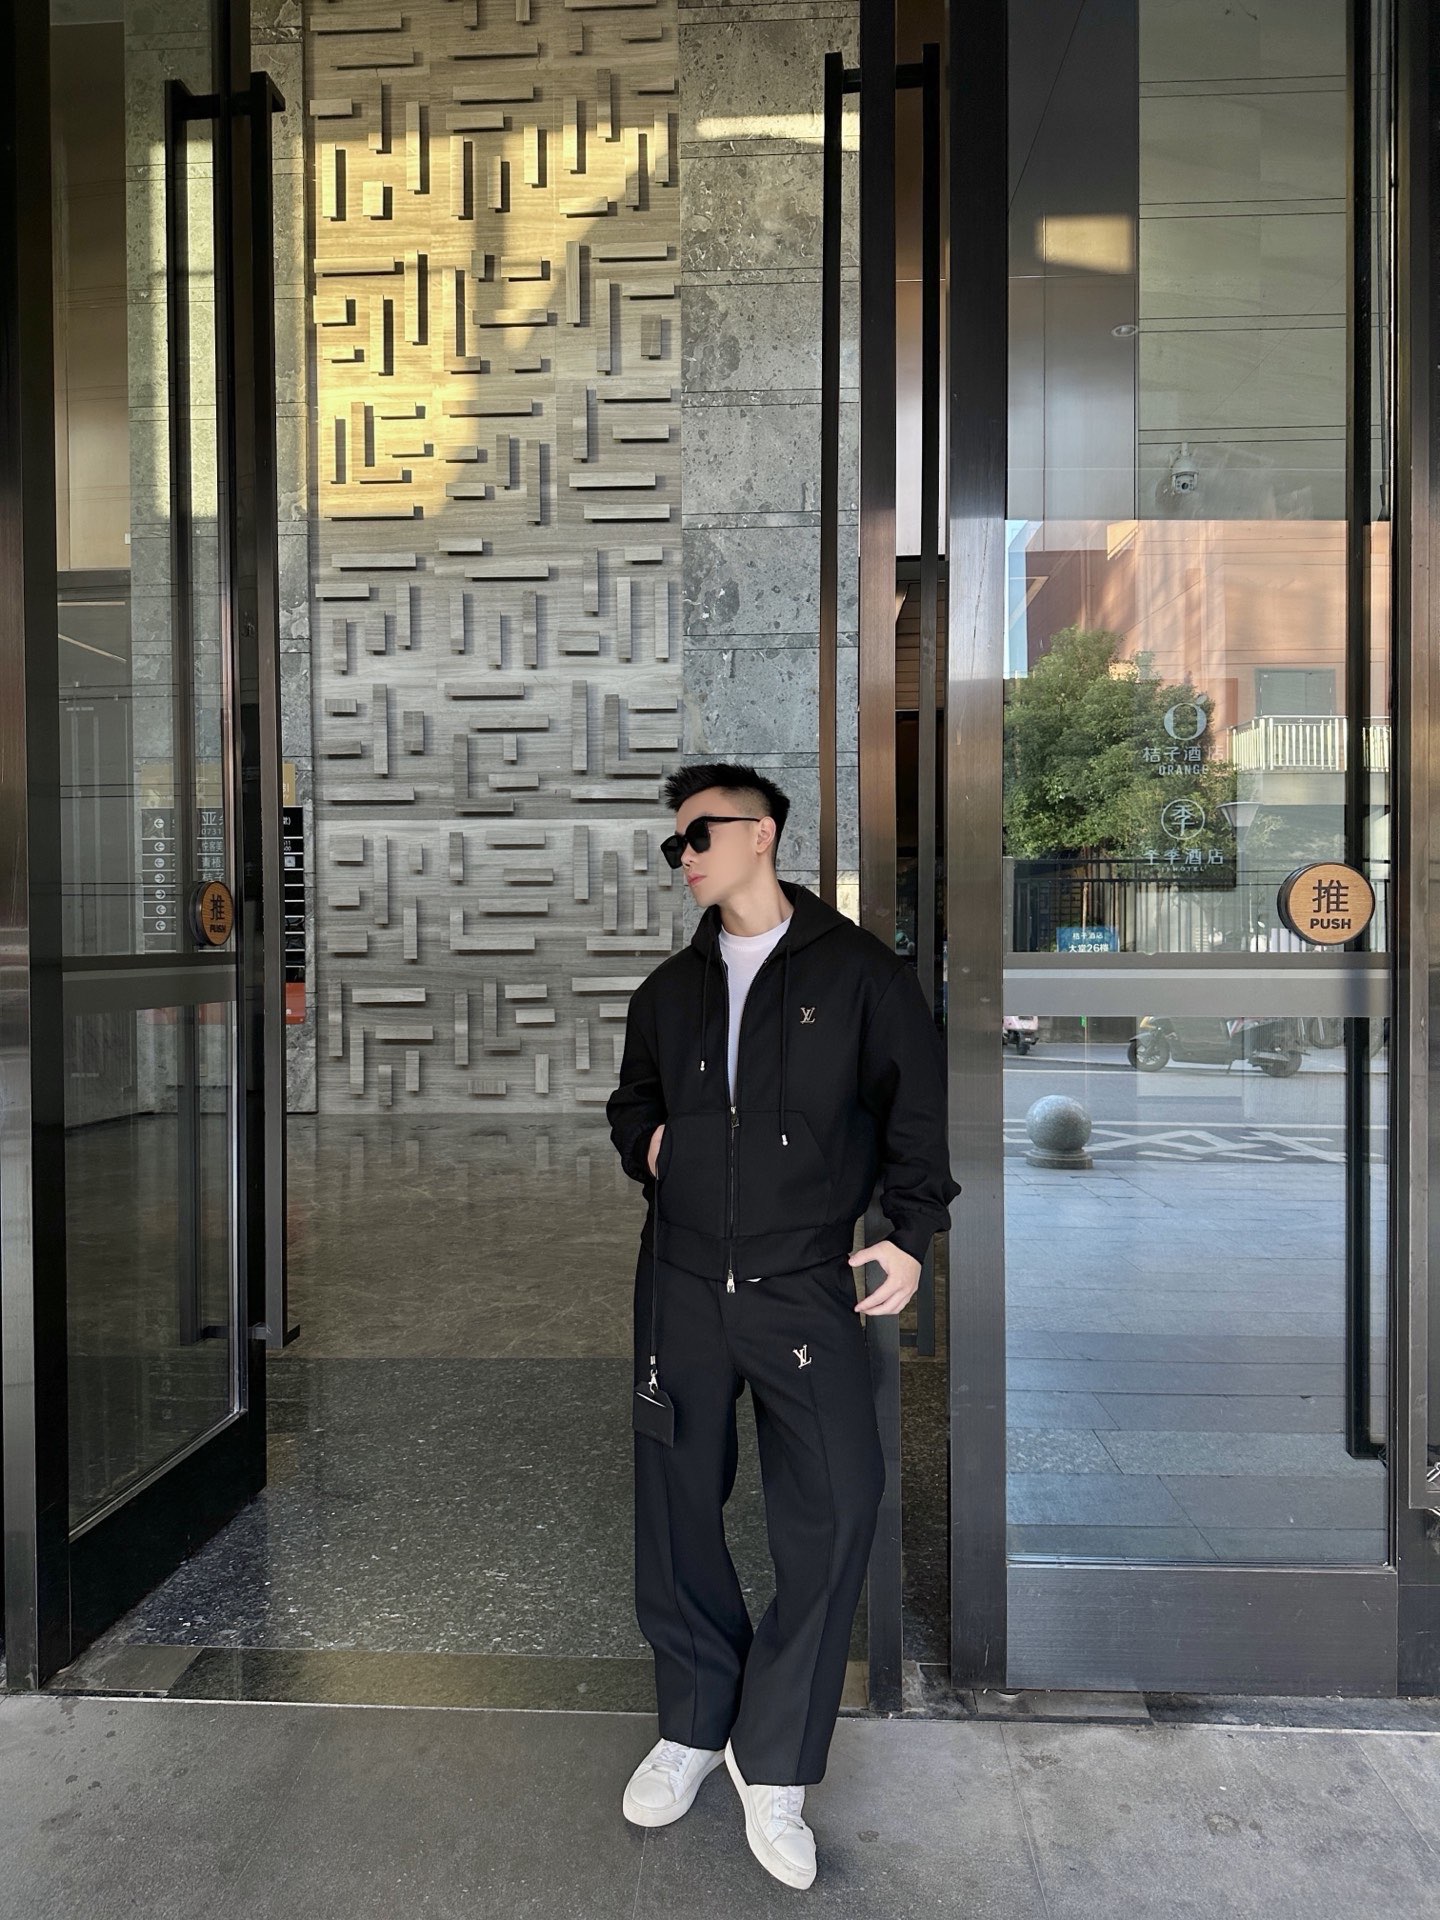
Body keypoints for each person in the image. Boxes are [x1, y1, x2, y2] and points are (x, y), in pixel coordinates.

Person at [605, 761, 961, 1892]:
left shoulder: (861, 976)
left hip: (805, 1281)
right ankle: (693, 1724)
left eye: (698, 836)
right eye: (675, 843)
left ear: (761, 834)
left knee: (839, 1504)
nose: (683, 857)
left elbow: (916, 1113)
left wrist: (909, 1232)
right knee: (675, 1509)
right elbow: (632, 1102)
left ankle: (774, 1759)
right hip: (679, 1285)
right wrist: (653, 1145)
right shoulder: (670, 990)